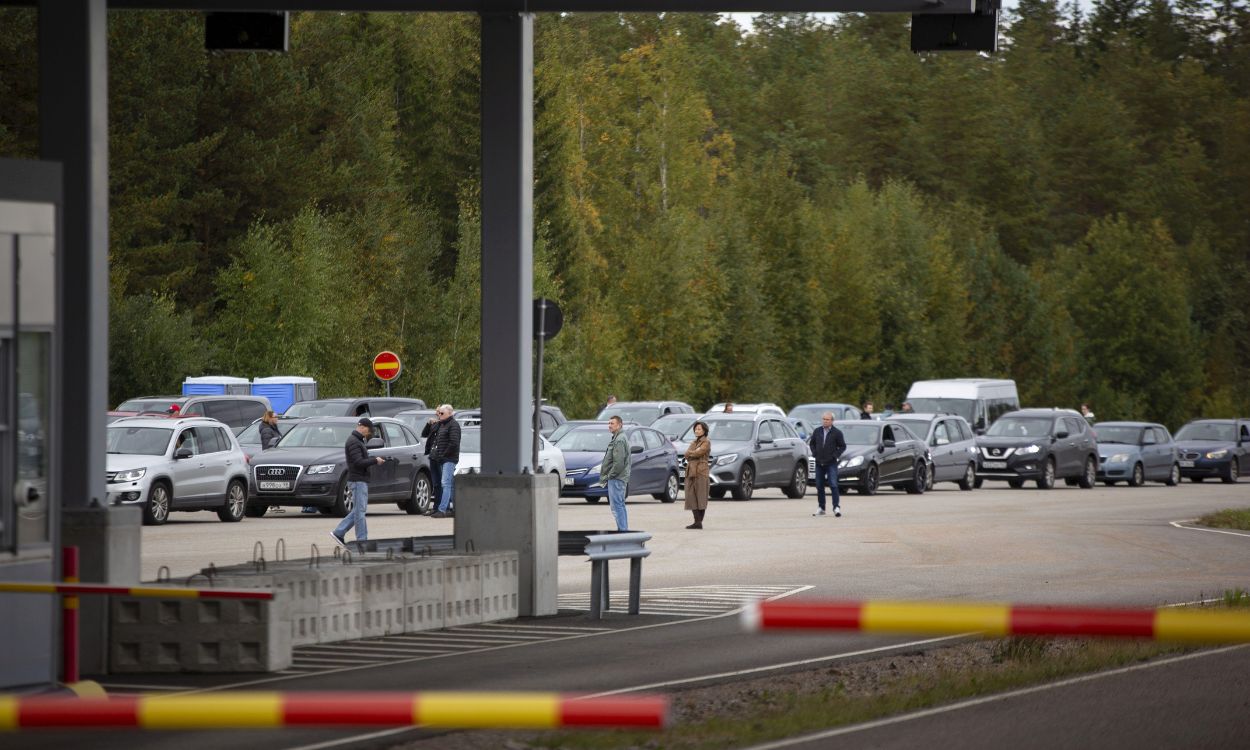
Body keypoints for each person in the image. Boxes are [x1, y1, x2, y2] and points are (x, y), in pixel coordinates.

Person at [329, 417, 384, 550]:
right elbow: (358, 462)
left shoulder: (357, 441)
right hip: (358, 480)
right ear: (363, 427)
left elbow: (358, 460)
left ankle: (340, 532)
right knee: (360, 512)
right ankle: (361, 540)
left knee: (358, 511)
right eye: (368, 431)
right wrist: (374, 460)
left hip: (359, 479)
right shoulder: (354, 442)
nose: (368, 434)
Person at [425, 405, 461, 519]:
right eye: (439, 413)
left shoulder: (453, 425)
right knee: (450, 484)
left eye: (442, 413)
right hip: (442, 458)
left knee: (445, 483)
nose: (439, 415)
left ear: (450, 413)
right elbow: (427, 433)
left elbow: (454, 443)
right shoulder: (442, 424)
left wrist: (443, 455)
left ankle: (442, 509)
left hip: (449, 459)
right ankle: (453, 509)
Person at [809, 412, 846, 518]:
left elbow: (842, 446)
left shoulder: (837, 433)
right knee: (819, 486)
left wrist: (835, 455)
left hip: (831, 463)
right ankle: (821, 508)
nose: (825, 421)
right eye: (823, 419)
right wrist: (814, 453)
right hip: (819, 462)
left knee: (833, 484)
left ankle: (836, 507)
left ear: (832, 421)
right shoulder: (817, 431)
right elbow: (812, 443)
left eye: (827, 419)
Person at [600, 416, 631, 531]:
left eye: (612, 423)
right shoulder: (618, 438)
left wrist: (609, 476)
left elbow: (618, 463)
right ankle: (623, 530)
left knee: (617, 507)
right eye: (609, 423)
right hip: (618, 478)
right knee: (620, 505)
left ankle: (622, 531)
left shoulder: (619, 440)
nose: (609, 425)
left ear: (619, 425)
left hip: (617, 478)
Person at [683, 421, 711, 530]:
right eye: (695, 429)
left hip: (701, 471)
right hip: (691, 471)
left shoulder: (706, 442)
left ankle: (698, 522)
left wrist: (692, 452)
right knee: (691, 496)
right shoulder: (694, 442)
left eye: (699, 429)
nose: (696, 431)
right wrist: (693, 452)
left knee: (701, 496)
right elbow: (686, 454)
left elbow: (699, 453)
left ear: (704, 431)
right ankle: (697, 521)